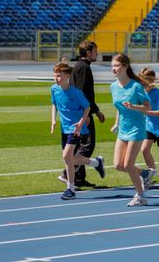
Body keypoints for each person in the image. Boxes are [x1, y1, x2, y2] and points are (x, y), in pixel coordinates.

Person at [49, 62, 105, 200]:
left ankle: (71, 189)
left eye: (59, 76)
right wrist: (53, 120)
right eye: (55, 76)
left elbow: (87, 108)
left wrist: (81, 122)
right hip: (64, 128)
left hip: (76, 128)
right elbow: (54, 104)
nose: (56, 78)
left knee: (66, 156)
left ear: (67, 76)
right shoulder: (54, 89)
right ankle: (95, 163)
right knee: (69, 159)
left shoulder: (76, 92)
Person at [108, 53, 152, 206]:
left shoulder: (136, 86)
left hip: (137, 129)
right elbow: (120, 107)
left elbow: (148, 107)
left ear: (125, 66)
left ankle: (141, 196)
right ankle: (145, 174)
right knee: (118, 165)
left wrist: (134, 107)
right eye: (112, 66)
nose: (114, 69)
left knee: (128, 165)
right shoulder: (113, 87)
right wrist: (117, 123)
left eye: (117, 66)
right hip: (123, 129)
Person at [69, 41, 105, 188]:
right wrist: (93, 111)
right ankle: (67, 173)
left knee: (79, 144)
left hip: (77, 110)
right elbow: (84, 93)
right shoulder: (84, 67)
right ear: (88, 52)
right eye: (95, 51)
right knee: (88, 144)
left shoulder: (79, 66)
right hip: (83, 112)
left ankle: (78, 178)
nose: (97, 53)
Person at [138, 67, 159, 188]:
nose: (143, 82)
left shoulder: (157, 93)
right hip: (150, 126)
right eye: (142, 79)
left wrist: (146, 112)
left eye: (146, 79)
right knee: (145, 149)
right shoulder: (141, 93)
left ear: (151, 80)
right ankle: (151, 173)